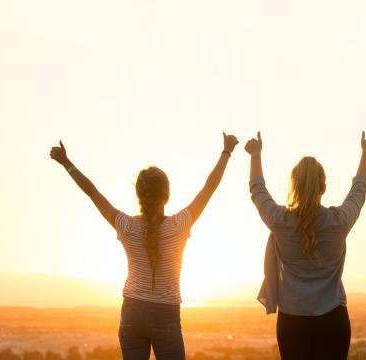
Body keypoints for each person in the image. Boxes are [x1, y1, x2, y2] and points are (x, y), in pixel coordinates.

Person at [50, 133, 239, 360]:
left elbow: (92, 192)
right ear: (167, 195)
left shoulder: (126, 226)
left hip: (132, 313)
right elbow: (209, 188)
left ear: (138, 194)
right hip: (165, 315)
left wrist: (66, 163)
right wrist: (226, 152)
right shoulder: (178, 226)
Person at [244, 131, 366, 359]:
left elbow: (258, 191)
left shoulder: (280, 221)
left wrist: (255, 155)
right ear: (323, 187)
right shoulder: (339, 221)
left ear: (294, 186)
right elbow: (359, 191)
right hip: (333, 320)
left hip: (292, 322)